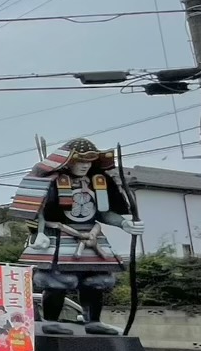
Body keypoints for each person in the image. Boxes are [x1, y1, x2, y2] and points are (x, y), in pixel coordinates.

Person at [9, 138, 144, 335]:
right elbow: (38, 211)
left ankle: (93, 321)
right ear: (67, 161)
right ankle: (50, 321)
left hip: (91, 236)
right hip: (59, 236)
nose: (84, 166)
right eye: (80, 161)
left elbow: (103, 213)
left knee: (95, 280)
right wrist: (39, 233)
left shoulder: (99, 181)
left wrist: (124, 224)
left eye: (88, 162)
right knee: (57, 281)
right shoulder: (52, 181)